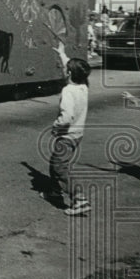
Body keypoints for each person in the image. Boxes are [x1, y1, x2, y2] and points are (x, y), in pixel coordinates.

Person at [47, 41, 91, 215]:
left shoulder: (68, 91)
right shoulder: (83, 87)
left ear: (69, 72)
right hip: (77, 135)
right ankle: (54, 191)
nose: (63, 68)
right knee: (55, 163)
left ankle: (79, 199)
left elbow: (67, 117)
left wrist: (56, 126)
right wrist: (62, 53)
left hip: (67, 135)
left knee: (59, 166)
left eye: (65, 67)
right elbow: (72, 67)